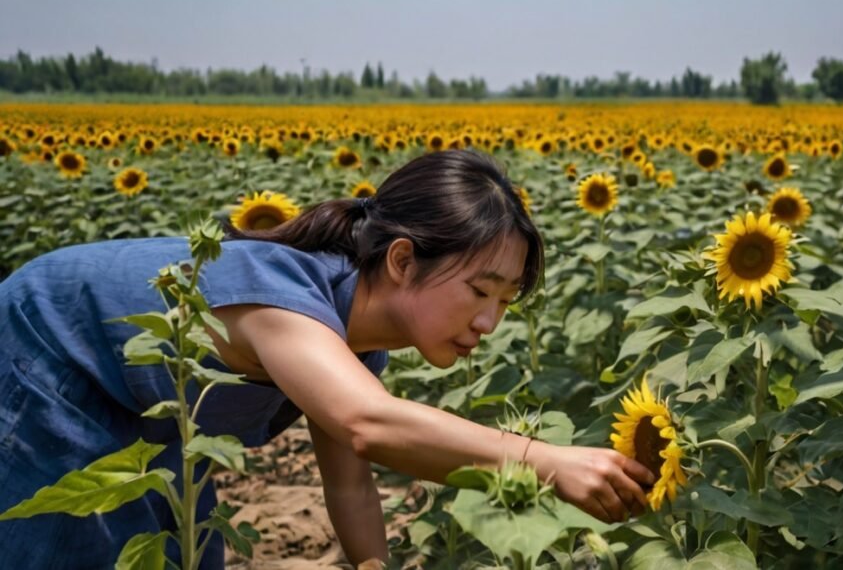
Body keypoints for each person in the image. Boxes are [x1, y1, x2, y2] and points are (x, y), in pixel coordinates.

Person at [0, 149, 655, 568]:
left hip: (142, 408)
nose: (488, 322)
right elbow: (367, 423)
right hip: (43, 364)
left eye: (506, 302)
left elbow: (350, 483)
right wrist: (544, 460)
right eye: (480, 291)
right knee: (68, 546)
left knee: (185, 553)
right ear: (402, 260)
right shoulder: (282, 298)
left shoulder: (354, 341)